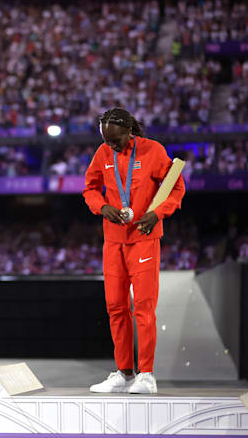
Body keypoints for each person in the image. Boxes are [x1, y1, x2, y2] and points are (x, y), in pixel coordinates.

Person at [83, 107, 186, 394]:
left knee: (143, 307)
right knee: (116, 307)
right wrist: (102, 207)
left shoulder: (153, 151)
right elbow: (89, 188)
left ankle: (147, 375)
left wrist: (158, 213)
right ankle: (124, 372)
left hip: (144, 238)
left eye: (115, 140)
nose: (111, 145)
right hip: (113, 240)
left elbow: (176, 187)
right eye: (107, 140)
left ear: (129, 132)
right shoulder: (103, 153)